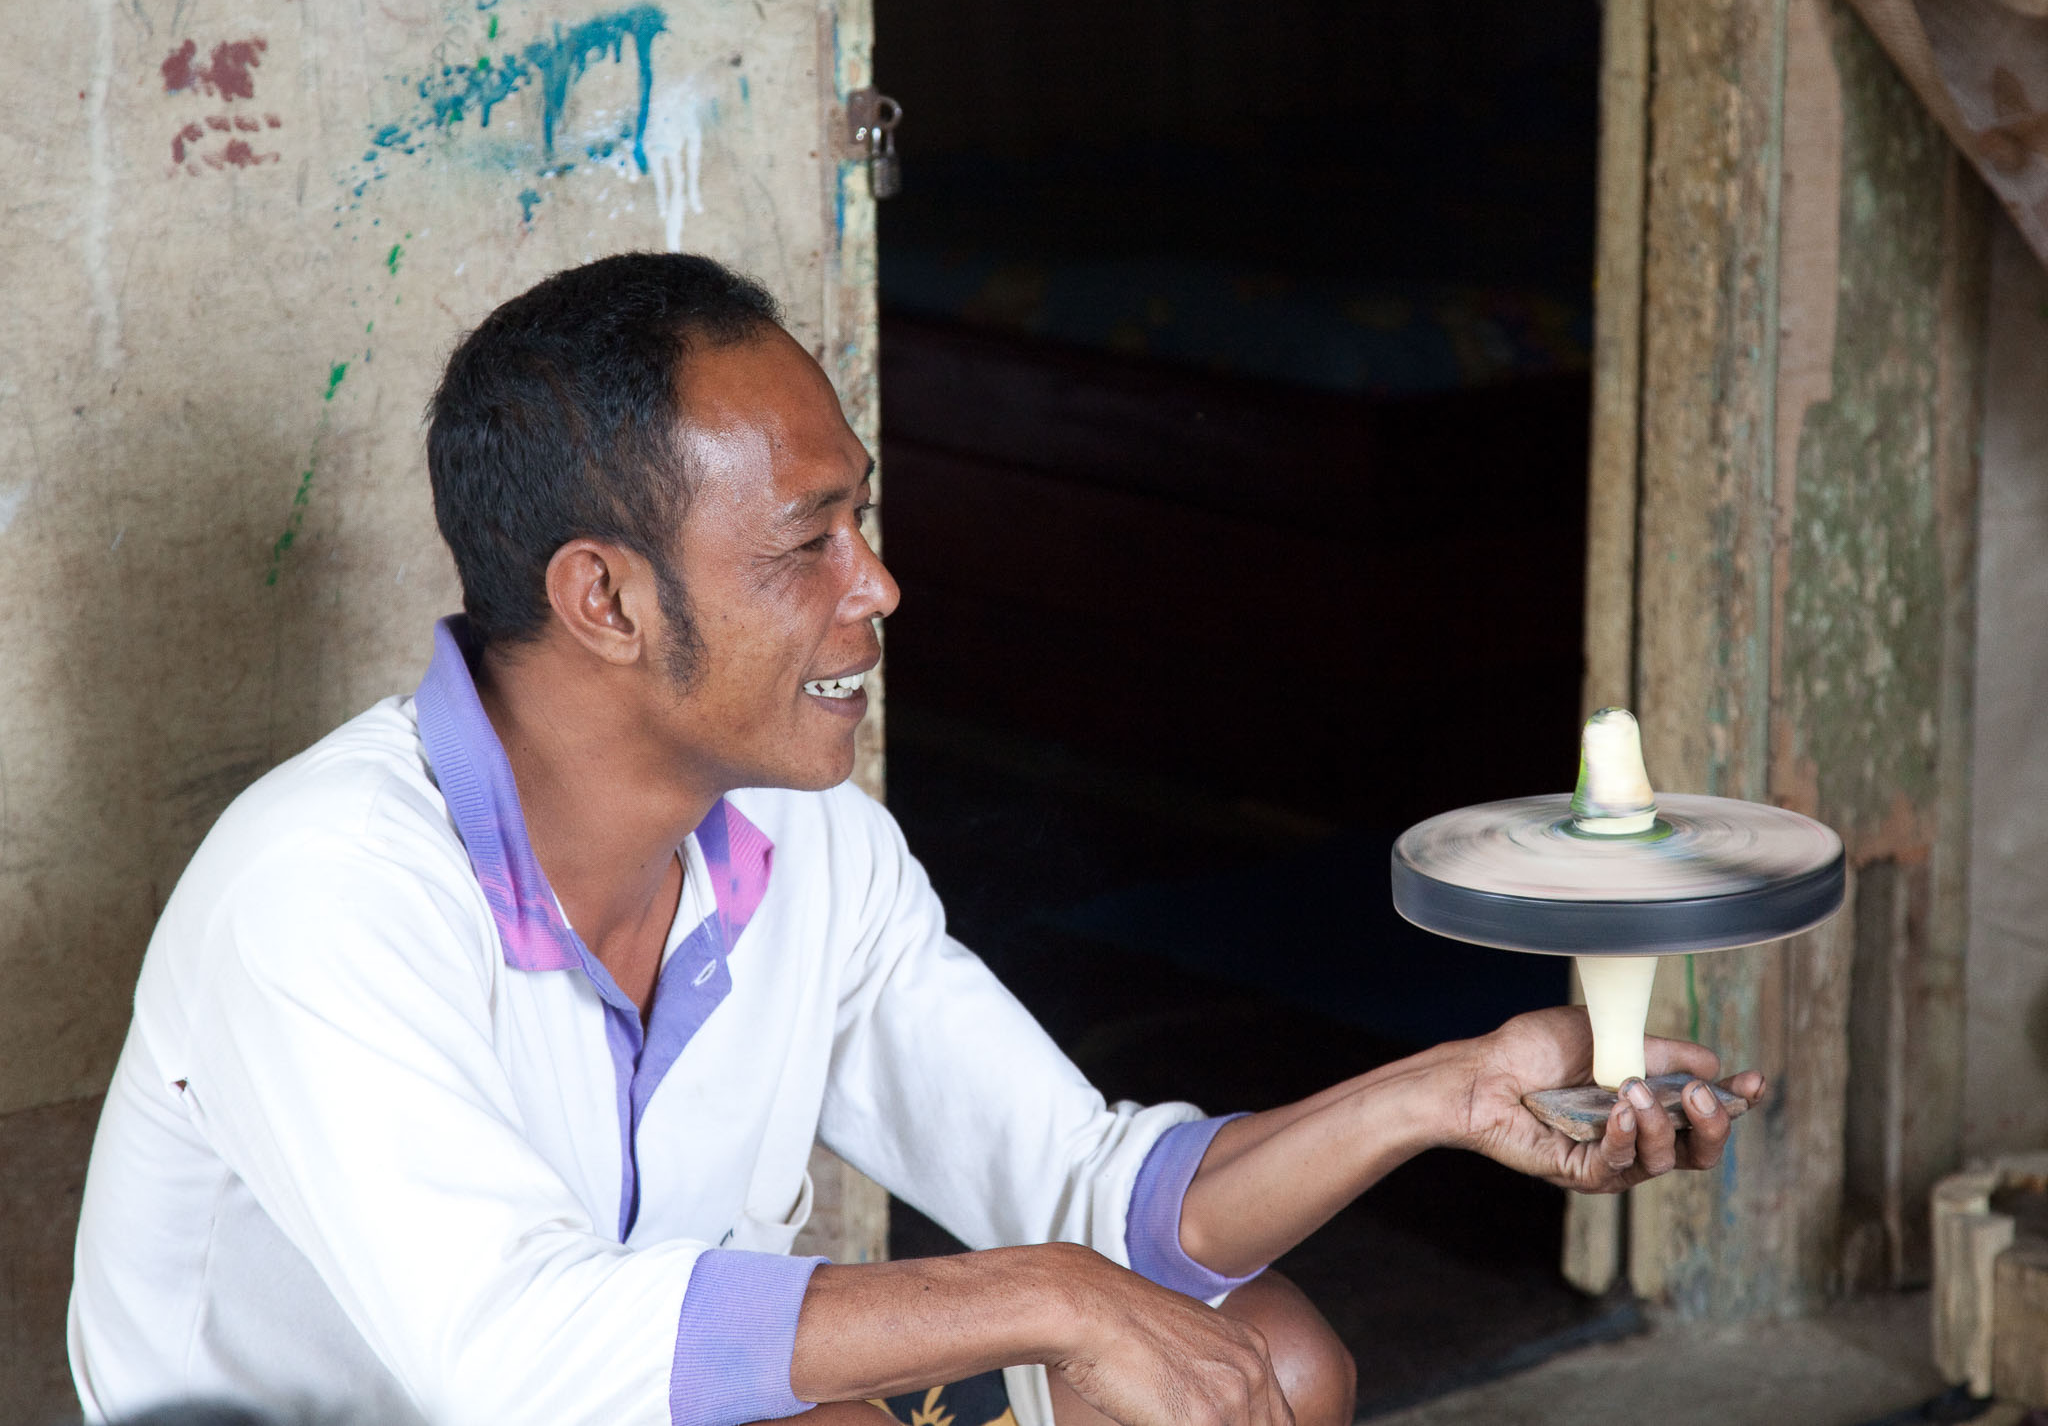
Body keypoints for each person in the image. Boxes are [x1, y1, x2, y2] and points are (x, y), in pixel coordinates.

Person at [68, 254, 1764, 1426]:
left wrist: (1448, 1091)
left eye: (861, 518)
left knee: (1264, 1361)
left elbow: (1088, 1187)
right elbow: (516, 1358)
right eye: (805, 543)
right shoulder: (325, 886)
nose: (875, 584)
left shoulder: (808, 854)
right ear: (602, 597)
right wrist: (1051, 1297)